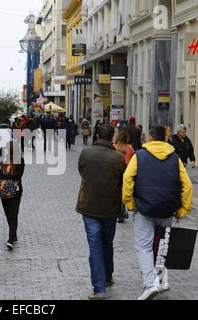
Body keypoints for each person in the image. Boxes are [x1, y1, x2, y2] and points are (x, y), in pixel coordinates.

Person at [122, 126, 193, 300]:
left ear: (151, 138)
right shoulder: (175, 158)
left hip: (144, 208)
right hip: (168, 208)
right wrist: (183, 210)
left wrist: (130, 203)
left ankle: (150, 284)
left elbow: (127, 179)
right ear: (165, 138)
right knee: (163, 246)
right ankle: (162, 281)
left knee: (143, 246)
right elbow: (187, 186)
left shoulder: (139, 156)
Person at [76, 124, 127, 300]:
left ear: (97, 134)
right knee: (107, 242)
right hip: (110, 207)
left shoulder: (86, 153)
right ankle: (107, 276)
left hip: (89, 205)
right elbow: (123, 180)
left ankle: (99, 288)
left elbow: (82, 172)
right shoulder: (119, 158)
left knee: (95, 245)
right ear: (113, 137)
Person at [0, 141, 25, 251]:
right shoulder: (3, 160)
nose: (5, 151)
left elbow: (18, 176)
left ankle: (10, 239)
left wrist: (5, 175)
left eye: (7, 149)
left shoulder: (20, 161)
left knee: (13, 214)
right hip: (4, 191)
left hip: (15, 192)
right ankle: (14, 234)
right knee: (8, 215)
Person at [113, 130, 135, 224]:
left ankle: (119, 210)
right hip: (127, 172)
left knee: (116, 192)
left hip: (115, 171)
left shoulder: (114, 147)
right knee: (124, 192)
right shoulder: (130, 148)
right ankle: (123, 209)